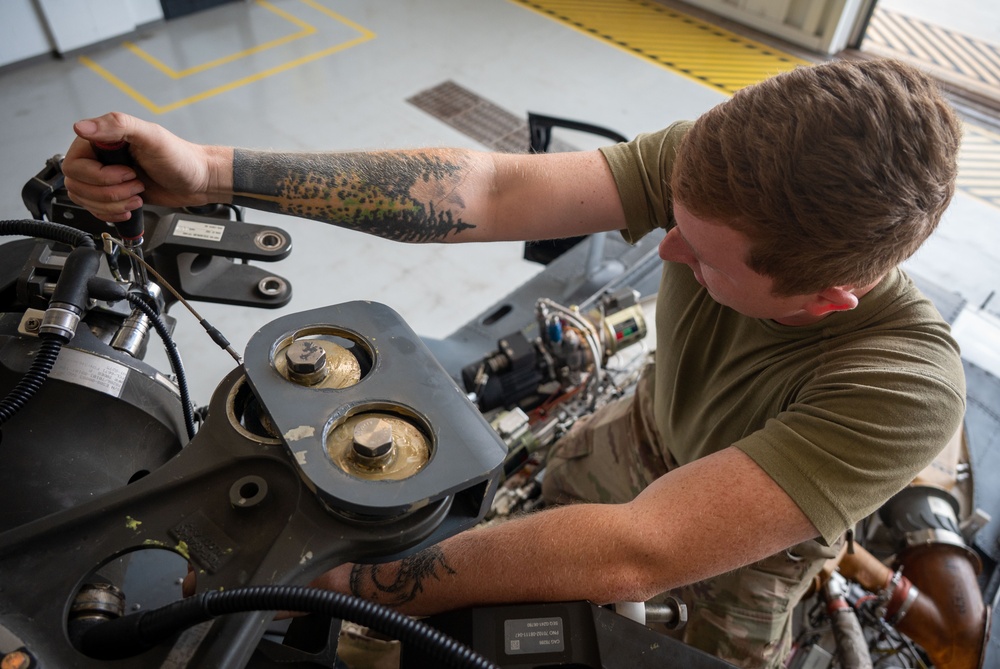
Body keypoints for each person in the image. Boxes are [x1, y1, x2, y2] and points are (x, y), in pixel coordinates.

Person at [62, 57, 965, 667]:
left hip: (732, 551)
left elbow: (640, 552)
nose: (669, 256)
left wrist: (342, 582)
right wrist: (212, 168)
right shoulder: (726, 167)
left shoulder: (902, 386)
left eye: (701, 252)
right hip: (635, 438)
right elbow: (489, 188)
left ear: (824, 301)